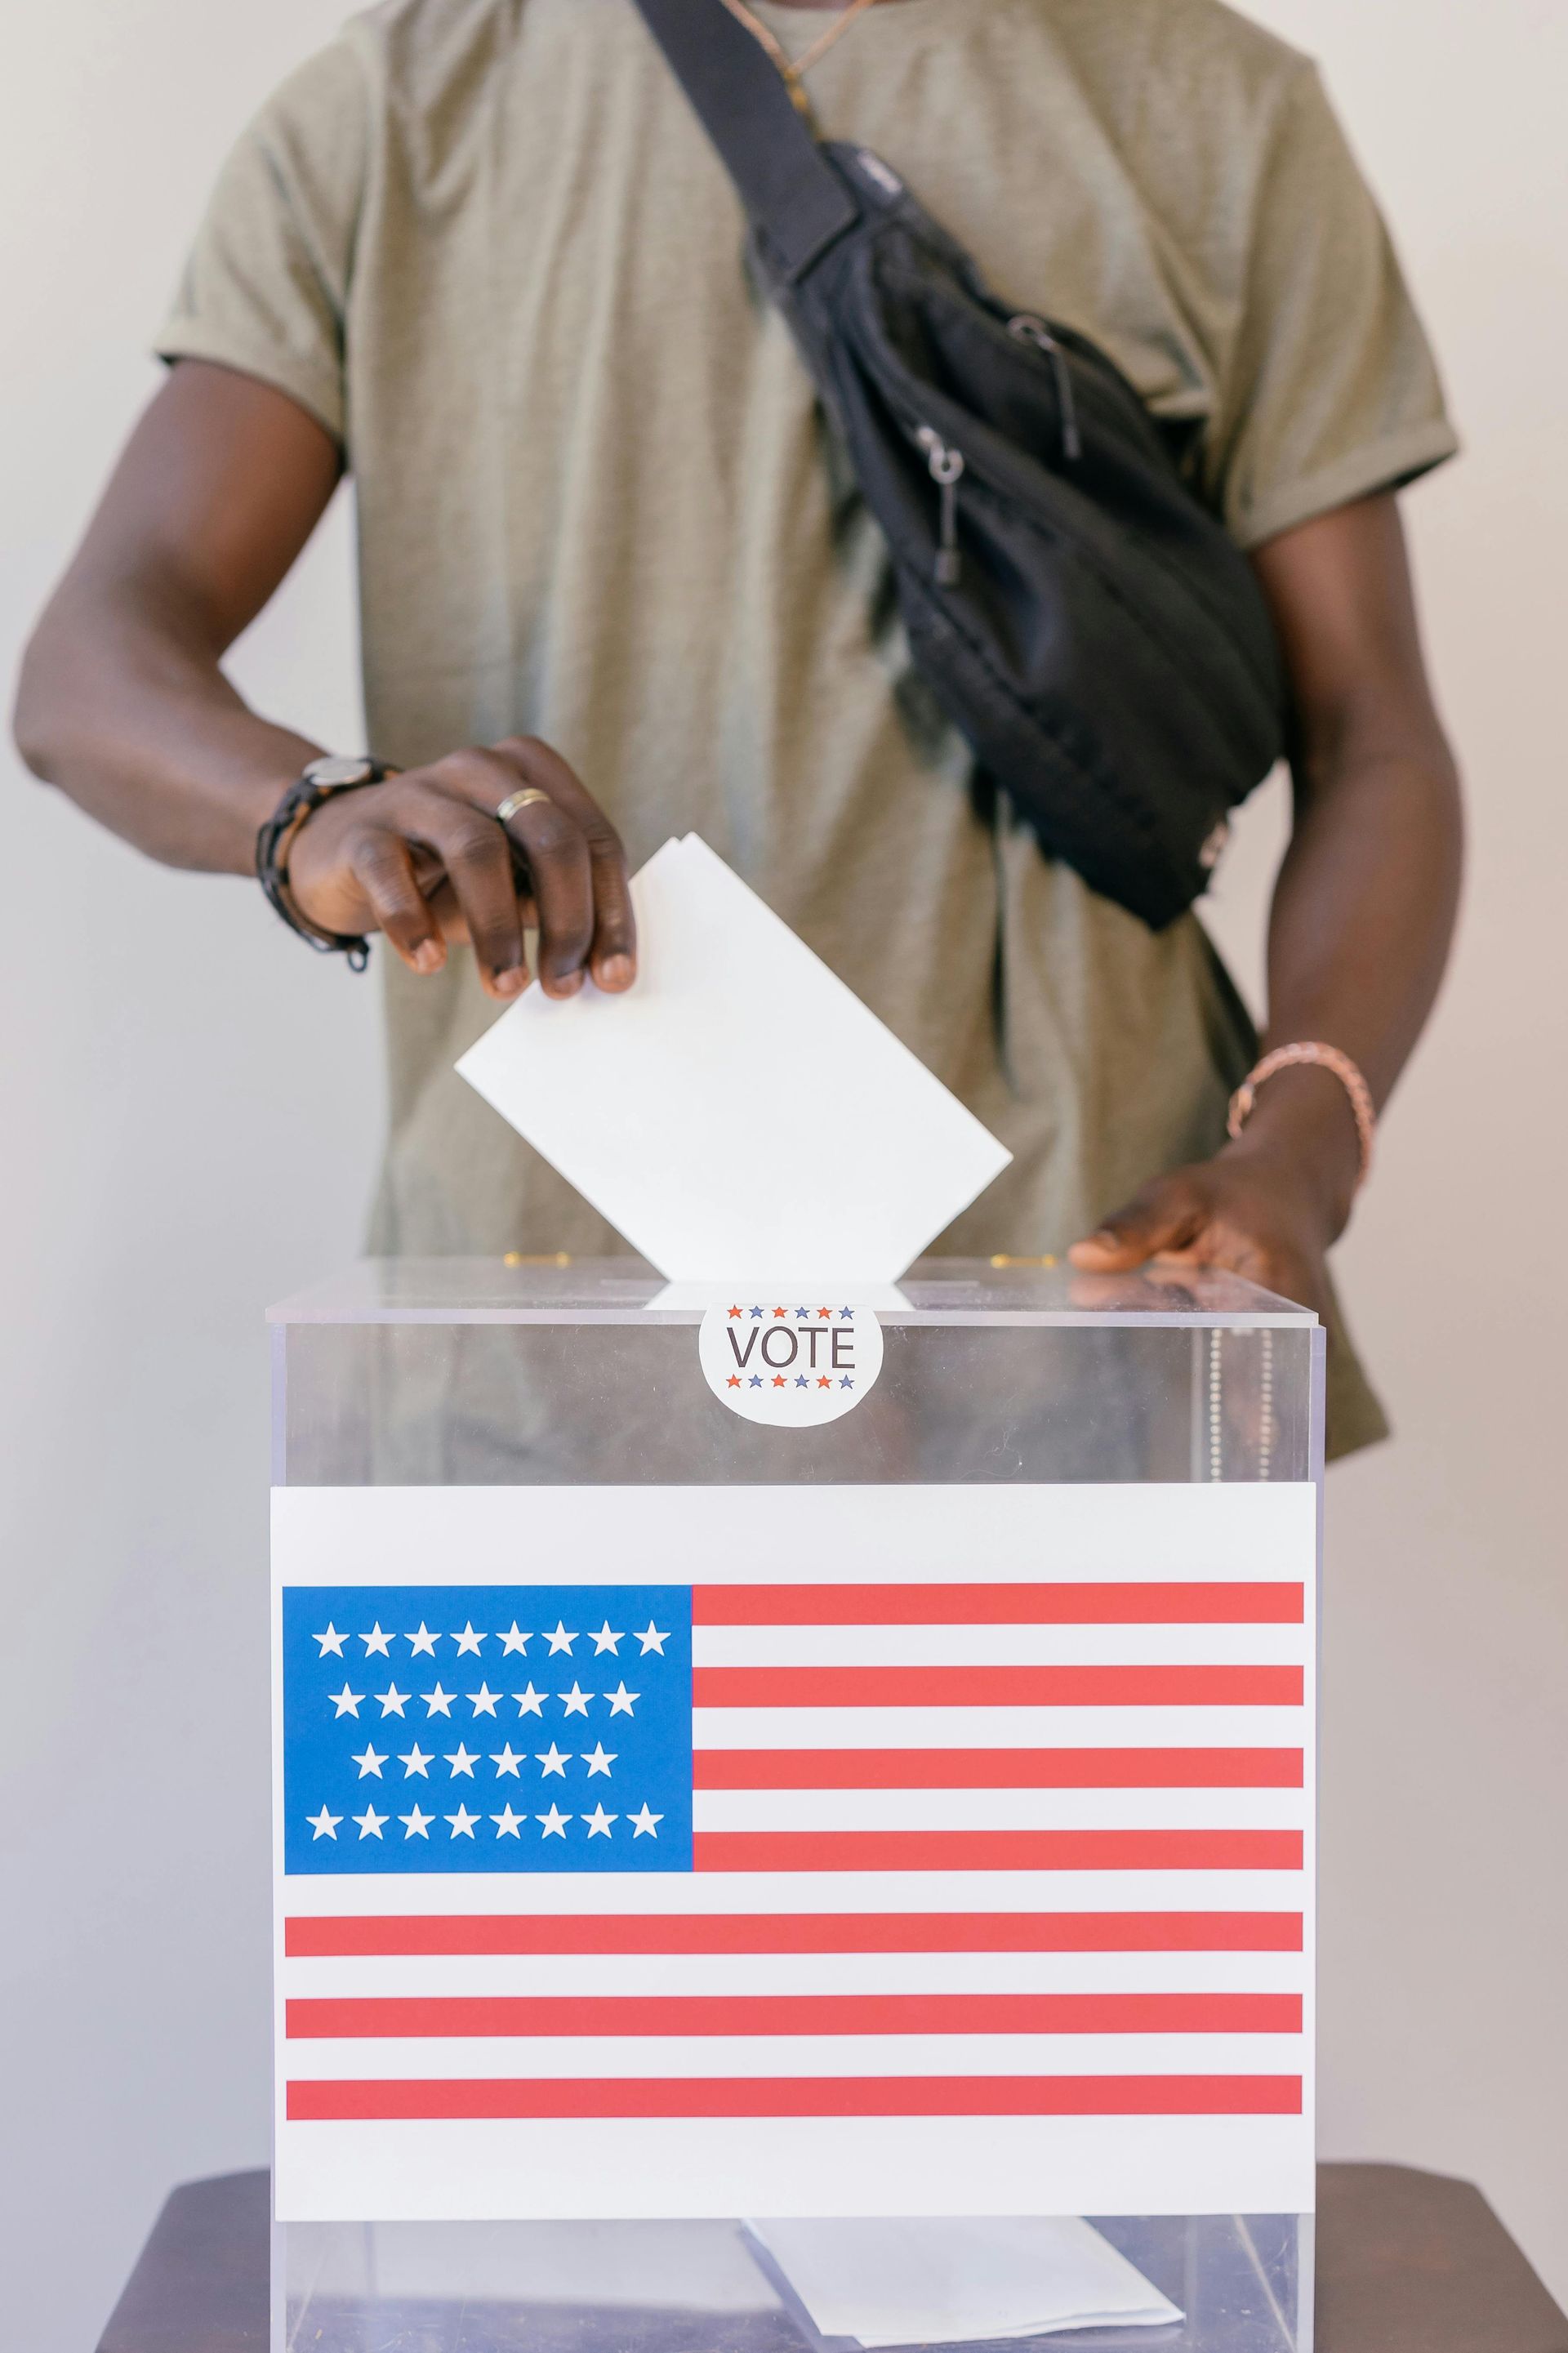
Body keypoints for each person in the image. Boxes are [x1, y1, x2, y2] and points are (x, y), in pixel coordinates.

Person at [13, 0, 1462, 1455]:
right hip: (535, 1358)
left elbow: (1374, 736)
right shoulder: (391, 112)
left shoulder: (1219, 109)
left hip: (1081, 1332)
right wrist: (310, 811)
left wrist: (1300, 1153)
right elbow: (91, 665)